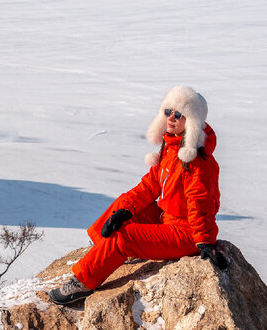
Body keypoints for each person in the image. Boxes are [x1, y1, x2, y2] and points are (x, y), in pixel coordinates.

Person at [48, 85, 227, 306]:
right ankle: (102, 250)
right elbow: (151, 184)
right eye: (168, 111)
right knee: (123, 204)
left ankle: (83, 281)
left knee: (124, 236)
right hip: (167, 218)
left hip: (186, 233)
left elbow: (201, 203)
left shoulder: (197, 162)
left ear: (191, 122)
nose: (171, 118)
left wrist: (205, 241)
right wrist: (126, 210)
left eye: (179, 115)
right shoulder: (171, 147)